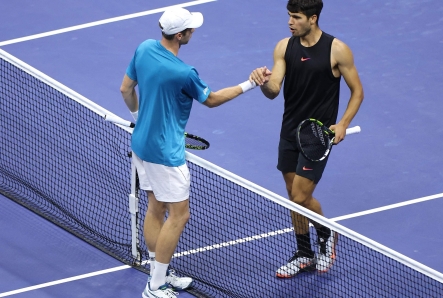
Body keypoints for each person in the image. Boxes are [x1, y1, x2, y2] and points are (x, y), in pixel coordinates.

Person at [120, 7, 259, 298]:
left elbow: (125, 89)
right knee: (179, 216)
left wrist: (139, 116)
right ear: (180, 35)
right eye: (191, 29)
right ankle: (155, 285)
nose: (194, 32)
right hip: (165, 154)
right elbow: (212, 99)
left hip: (141, 144)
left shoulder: (144, 48)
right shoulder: (184, 73)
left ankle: (160, 271)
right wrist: (251, 83)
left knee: (155, 208)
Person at [250, 0, 364, 278]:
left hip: (317, 135)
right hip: (290, 131)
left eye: (296, 17)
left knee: (301, 195)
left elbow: (357, 91)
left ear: (312, 19)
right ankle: (304, 252)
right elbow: (275, 89)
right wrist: (263, 83)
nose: (290, 22)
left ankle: (326, 233)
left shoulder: (337, 50)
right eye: (289, 16)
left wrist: (343, 124)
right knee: (292, 197)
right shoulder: (284, 47)